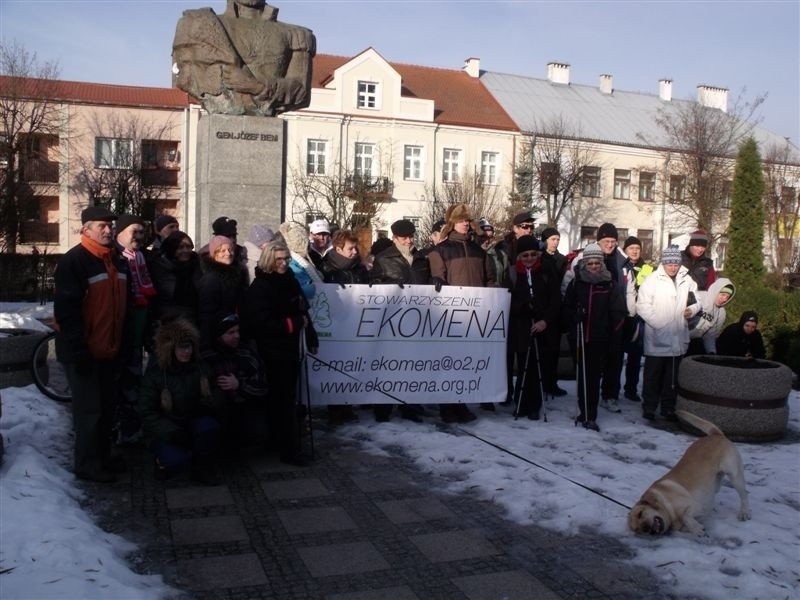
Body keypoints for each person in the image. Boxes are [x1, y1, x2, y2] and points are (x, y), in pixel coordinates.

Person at [54, 206, 130, 483]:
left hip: (109, 350)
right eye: (102, 225)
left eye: (111, 225)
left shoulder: (117, 261)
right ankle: (87, 465)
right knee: (89, 411)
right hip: (83, 352)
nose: (109, 229)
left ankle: (103, 456)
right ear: (86, 229)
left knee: (107, 408)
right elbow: (67, 313)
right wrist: (80, 351)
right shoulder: (74, 262)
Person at [241, 241, 319, 465]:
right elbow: (261, 323)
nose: (284, 263)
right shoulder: (260, 287)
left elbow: (303, 309)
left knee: (287, 399)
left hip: (291, 348)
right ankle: (288, 449)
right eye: (279, 260)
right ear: (269, 260)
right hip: (271, 350)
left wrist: (311, 333)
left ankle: (282, 442)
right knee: (282, 401)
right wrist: (294, 323)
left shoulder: (291, 280)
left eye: (286, 259)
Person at [172, 0, 316, 116]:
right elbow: (184, 80)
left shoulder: (296, 34)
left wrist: (257, 87)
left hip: (268, 125)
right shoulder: (197, 25)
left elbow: (301, 93)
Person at [428, 203, 497, 422]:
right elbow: (437, 276)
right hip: (451, 316)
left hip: (476, 316)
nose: (465, 224)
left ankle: (461, 403)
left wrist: (495, 297)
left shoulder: (479, 251)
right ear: (451, 223)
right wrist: (437, 280)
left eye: (467, 220)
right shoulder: (441, 250)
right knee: (449, 362)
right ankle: (447, 406)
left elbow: (489, 279)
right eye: (460, 220)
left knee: (467, 362)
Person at [139, 317, 223, 485]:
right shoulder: (156, 375)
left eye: (189, 346)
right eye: (181, 347)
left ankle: (200, 467)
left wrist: (207, 407)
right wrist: (171, 432)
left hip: (192, 421)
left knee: (209, 428)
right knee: (177, 461)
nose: (187, 352)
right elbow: (147, 412)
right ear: (170, 349)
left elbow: (216, 391)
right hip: (168, 427)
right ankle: (161, 461)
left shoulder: (200, 367)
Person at [370, 219, 429, 423]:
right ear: (395, 238)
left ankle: (409, 406)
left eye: (411, 236)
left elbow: (426, 283)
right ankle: (383, 408)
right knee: (389, 365)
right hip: (392, 320)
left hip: (416, 320)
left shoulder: (421, 258)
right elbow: (373, 289)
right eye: (404, 237)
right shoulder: (384, 259)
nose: (409, 240)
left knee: (411, 365)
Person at [562, 243, 627, 431]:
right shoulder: (577, 283)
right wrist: (575, 316)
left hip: (600, 338)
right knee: (582, 376)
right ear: (584, 264)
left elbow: (618, 311)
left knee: (593, 377)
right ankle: (584, 411)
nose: (593, 267)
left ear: (602, 264)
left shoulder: (608, 283)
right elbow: (567, 307)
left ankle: (591, 415)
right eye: (589, 264)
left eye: (596, 264)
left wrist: (612, 331)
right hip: (580, 336)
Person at [636, 245, 700, 422]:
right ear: (663, 263)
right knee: (653, 376)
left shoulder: (686, 280)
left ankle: (668, 408)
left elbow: (697, 300)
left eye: (676, 264)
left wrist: (692, 310)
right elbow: (642, 306)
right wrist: (659, 324)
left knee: (672, 378)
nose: (673, 267)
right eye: (669, 264)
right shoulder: (652, 280)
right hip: (657, 338)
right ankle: (649, 407)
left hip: (678, 337)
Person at [114, 214, 157, 444]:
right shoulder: (114, 257)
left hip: (141, 324)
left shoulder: (143, 257)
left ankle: (134, 426)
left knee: (137, 377)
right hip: (122, 329)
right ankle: (124, 429)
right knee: (124, 379)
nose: (139, 237)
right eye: (134, 231)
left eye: (142, 232)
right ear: (120, 233)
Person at [507, 235, 561, 420]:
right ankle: (520, 402)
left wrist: (545, 320)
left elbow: (555, 299)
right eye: (525, 255)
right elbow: (508, 299)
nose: (529, 258)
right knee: (524, 366)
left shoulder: (546, 270)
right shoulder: (513, 273)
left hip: (542, 327)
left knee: (538, 366)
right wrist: (523, 306)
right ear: (519, 257)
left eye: (532, 254)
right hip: (522, 327)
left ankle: (534, 404)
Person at [201, 314, 269, 453]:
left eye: (237, 331)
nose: (236, 336)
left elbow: (262, 386)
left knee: (258, 430)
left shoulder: (246, 353)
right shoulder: (206, 356)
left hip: (244, 407)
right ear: (219, 336)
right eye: (231, 332)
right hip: (215, 409)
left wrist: (239, 384)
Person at [197, 235, 249, 347]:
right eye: (222, 251)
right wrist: (207, 344)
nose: (228, 253)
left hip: (234, 333)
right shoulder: (211, 280)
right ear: (213, 254)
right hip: (219, 338)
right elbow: (207, 315)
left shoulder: (237, 274)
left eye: (230, 250)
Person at [621, 236, 653, 403]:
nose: (634, 251)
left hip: (638, 318)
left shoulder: (647, 269)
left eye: (637, 248)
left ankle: (631, 389)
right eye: (631, 248)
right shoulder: (621, 265)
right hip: (622, 315)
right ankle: (610, 389)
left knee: (634, 356)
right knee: (617, 355)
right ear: (625, 250)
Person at [539, 226, 568, 397]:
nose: (555, 242)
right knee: (543, 349)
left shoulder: (562, 259)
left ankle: (552, 382)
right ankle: (542, 381)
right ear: (545, 241)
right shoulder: (540, 258)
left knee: (554, 349)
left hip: (557, 307)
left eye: (557, 239)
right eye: (552, 239)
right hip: (543, 306)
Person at [150, 231, 202, 324]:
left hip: (195, 317)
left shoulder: (197, 264)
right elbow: (171, 292)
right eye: (180, 247)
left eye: (189, 247)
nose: (186, 251)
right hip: (170, 319)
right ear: (172, 249)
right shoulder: (161, 266)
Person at [687, 278, 735, 355]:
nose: (724, 299)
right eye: (723, 295)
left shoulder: (721, 313)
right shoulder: (699, 296)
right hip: (679, 337)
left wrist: (711, 351)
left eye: (727, 297)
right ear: (716, 291)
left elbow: (710, 335)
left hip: (695, 341)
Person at [279, 220, 323, 301]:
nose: (309, 244)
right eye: (307, 242)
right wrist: (313, 287)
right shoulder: (292, 263)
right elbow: (303, 289)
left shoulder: (302, 260)